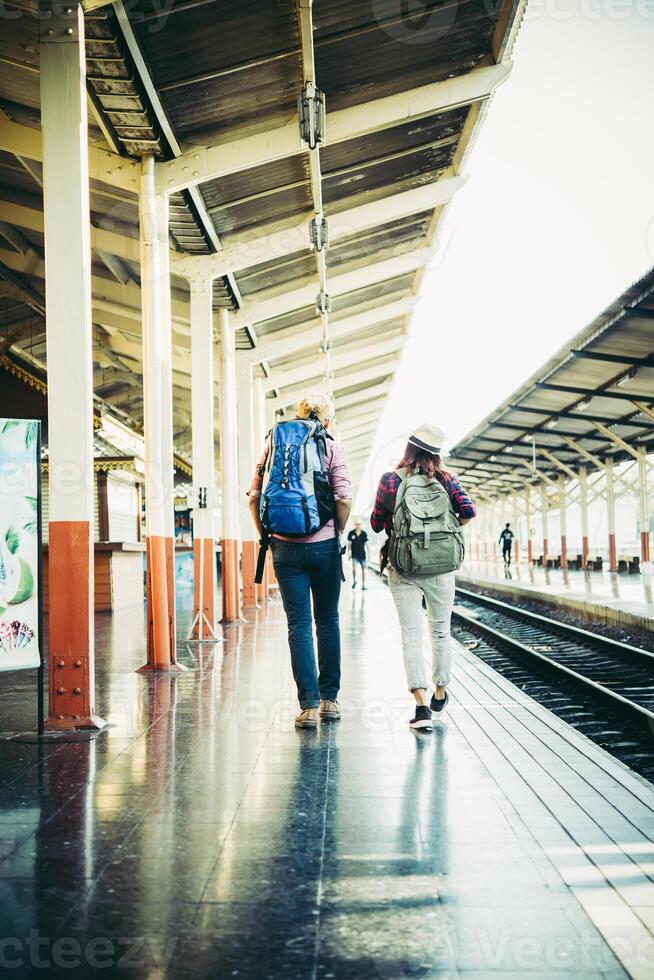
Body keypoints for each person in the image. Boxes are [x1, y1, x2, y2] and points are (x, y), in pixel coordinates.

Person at [248, 392, 352, 729]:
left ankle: (307, 706)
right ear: (326, 420)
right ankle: (330, 701)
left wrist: (266, 534)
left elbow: (253, 497)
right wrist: (335, 531)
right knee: (328, 621)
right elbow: (344, 498)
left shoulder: (274, 442)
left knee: (299, 625)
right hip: (324, 547)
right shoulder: (331, 446)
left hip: (284, 549)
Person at [371, 424, 476, 732]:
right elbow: (468, 511)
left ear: (408, 449)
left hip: (404, 567)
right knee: (441, 632)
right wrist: (445, 533)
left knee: (411, 635)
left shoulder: (391, 480)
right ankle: (441, 691)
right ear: (437, 454)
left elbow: (377, 524)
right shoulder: (447, 479)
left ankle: (421, 706)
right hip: (442, 568)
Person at [347, 518, 368, 590]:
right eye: (356, 524)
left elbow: (366, 544)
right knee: (354, 569)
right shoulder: (351, 533)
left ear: (361, 525)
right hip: (354, 555)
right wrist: (349, 553)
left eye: (359, 524)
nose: (358, 526)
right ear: (355, 525)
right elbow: (349, 544)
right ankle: (354, 581)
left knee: (363, 570)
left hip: (362, 555)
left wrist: (369, 554)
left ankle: (363, 585)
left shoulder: (364, 533)